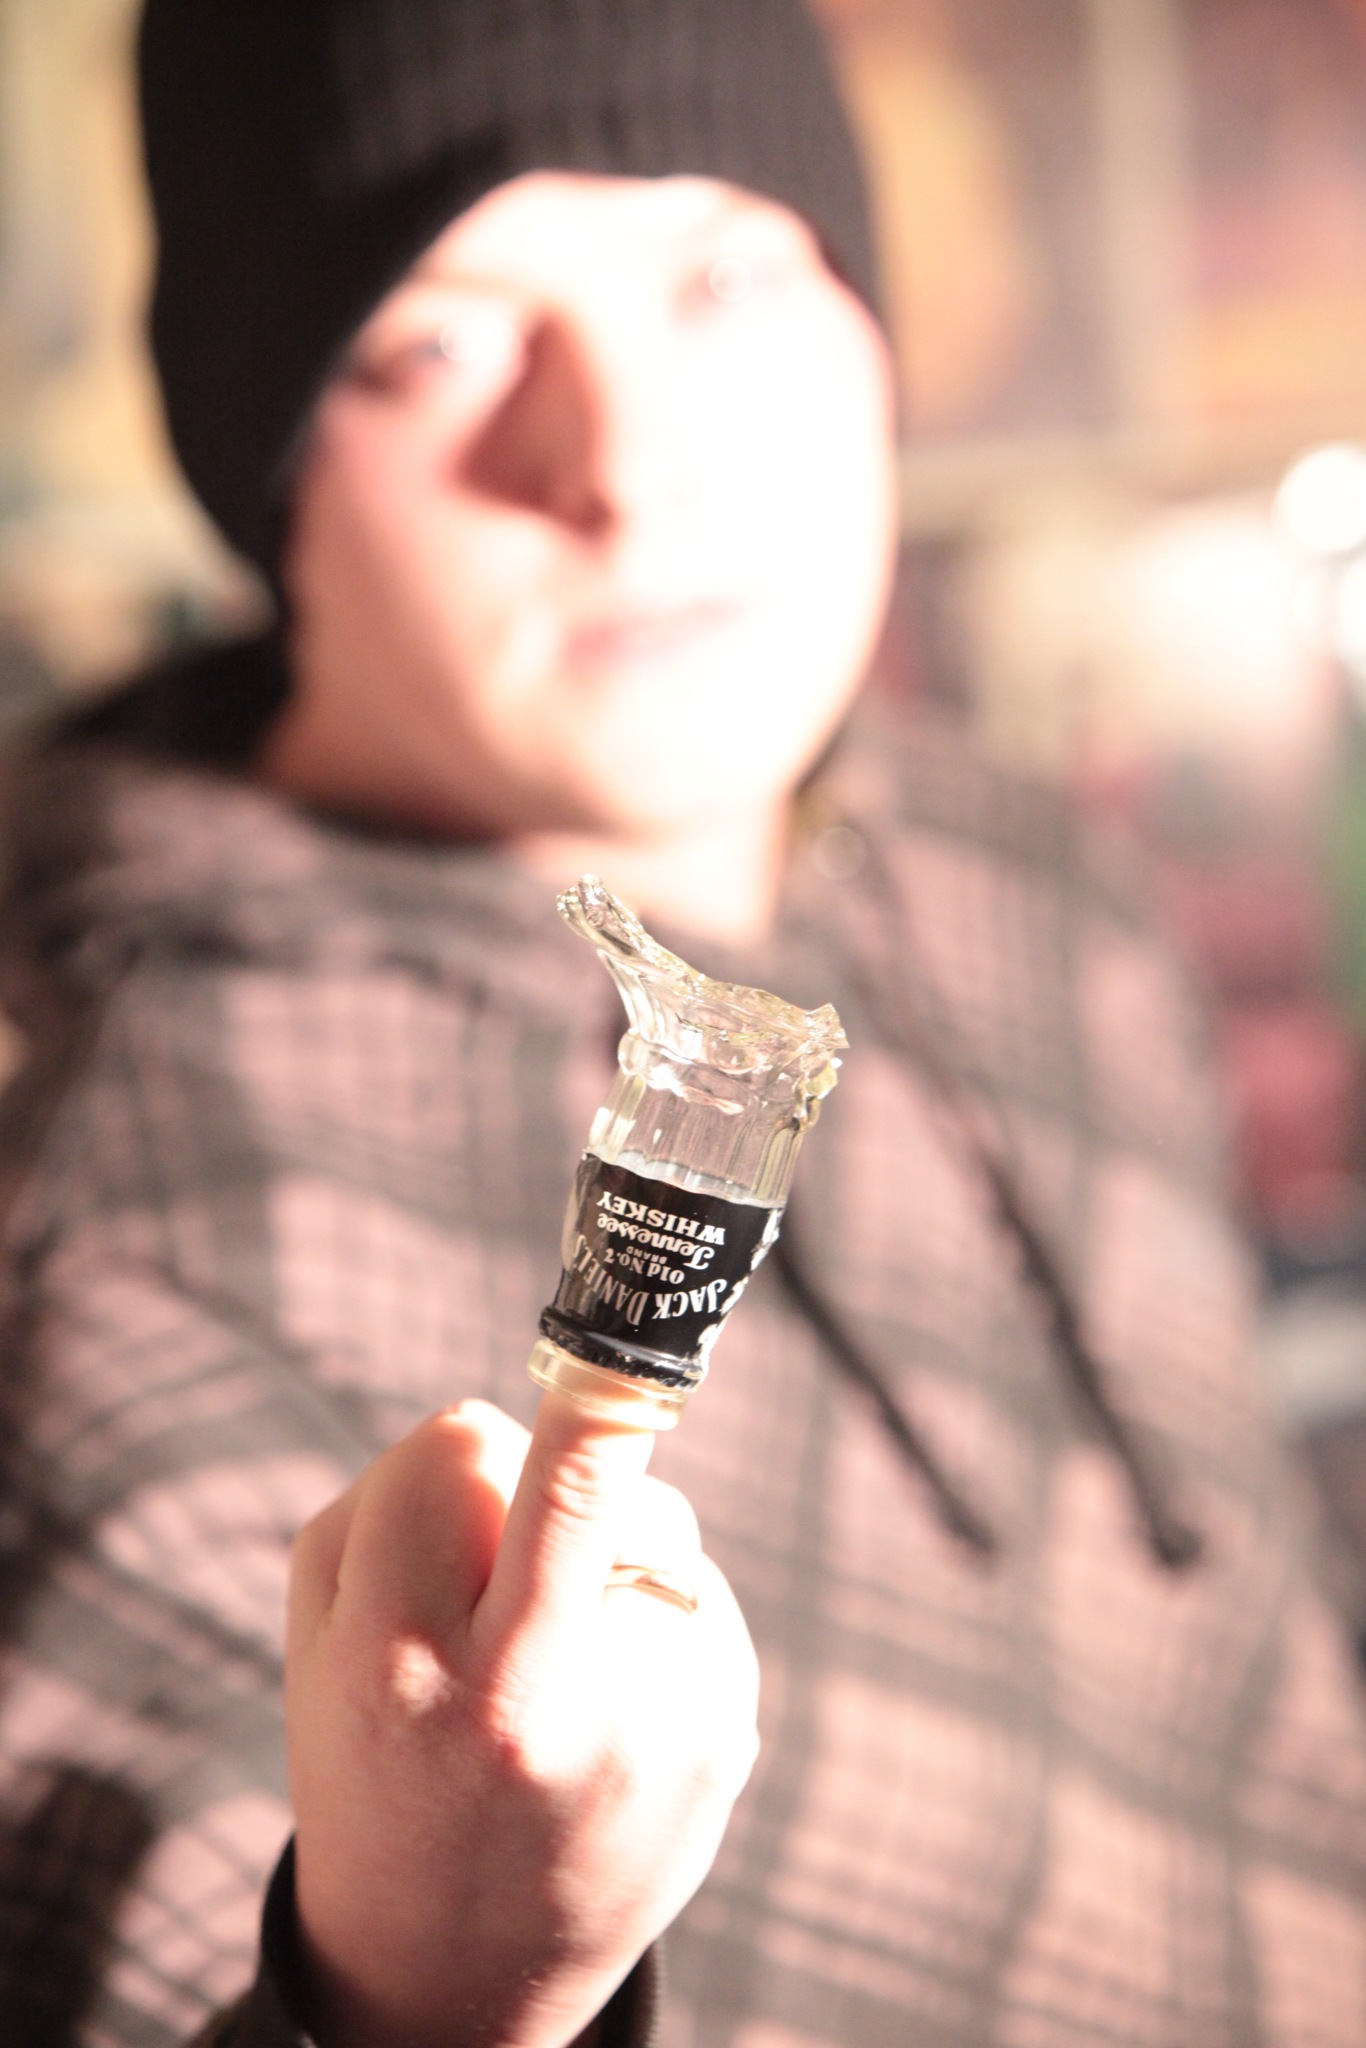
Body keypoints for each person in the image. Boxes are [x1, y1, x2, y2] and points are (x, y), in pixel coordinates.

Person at [1, 1, 1365, 2043]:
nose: (624, 469)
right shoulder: (112, 1214)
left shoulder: (1019, 872)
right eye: (432, 344)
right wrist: (407, 1990)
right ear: (268, 476)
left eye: (723, 277)